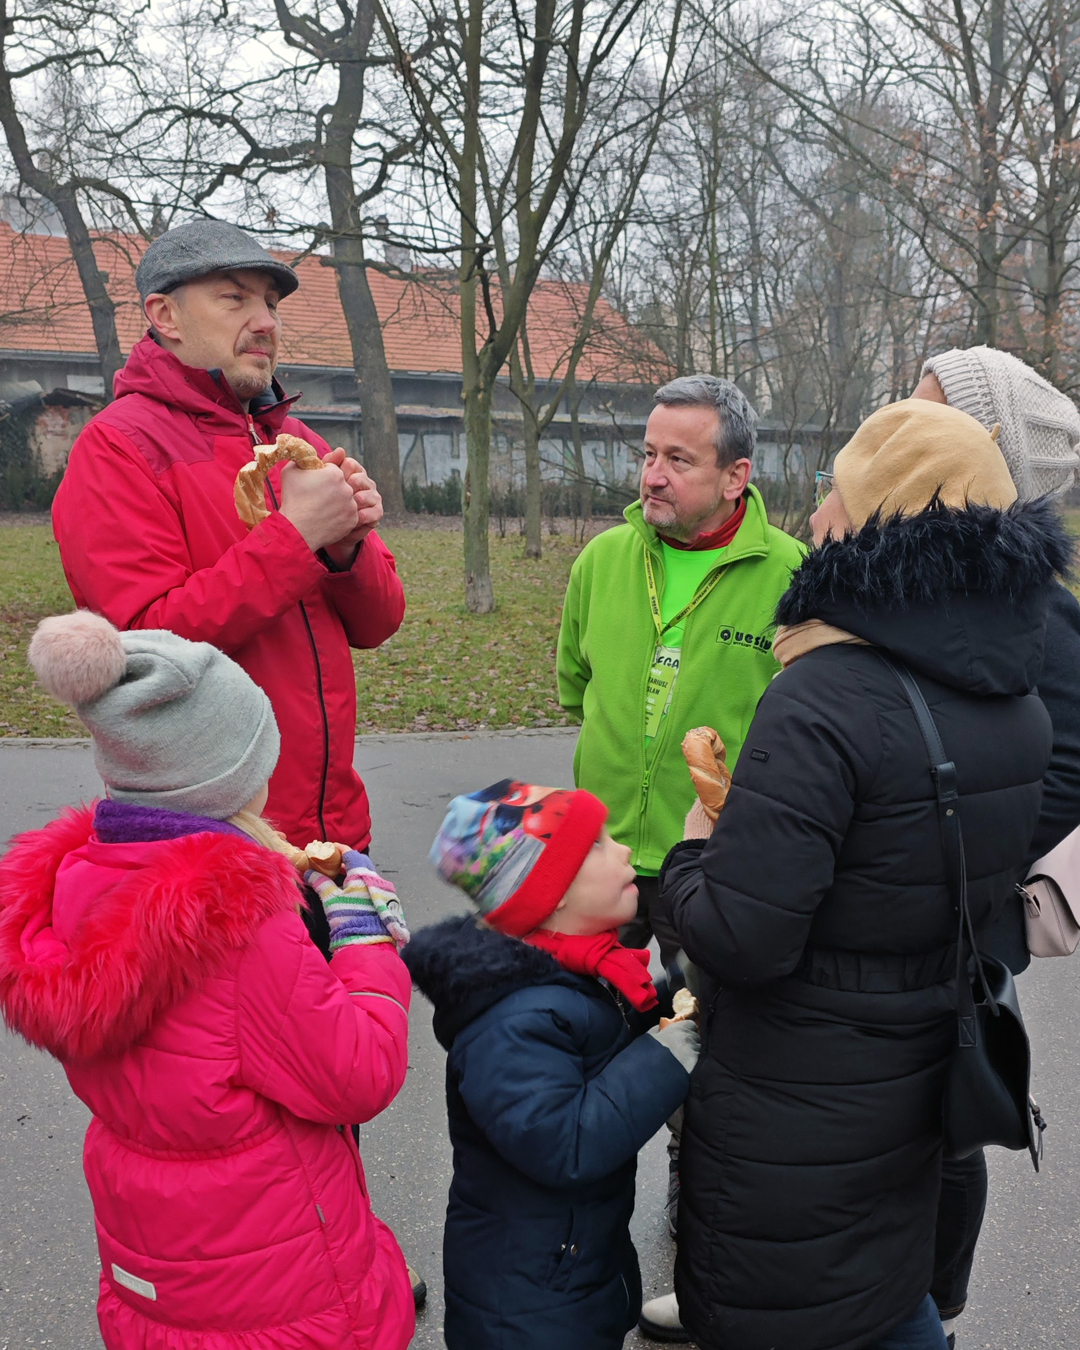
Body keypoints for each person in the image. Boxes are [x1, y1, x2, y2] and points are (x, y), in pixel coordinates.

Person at [657, 400, 1066, 1350]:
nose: (813, 519)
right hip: (914, 1067)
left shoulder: (827, 696)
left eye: (835, 495)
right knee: (879, 1289)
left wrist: (690, 857)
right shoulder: (1019, 700)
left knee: (789, 1308)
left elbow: (744, 936)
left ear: (888, 517)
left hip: (796, 1090)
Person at [0, 611, 414, 1350]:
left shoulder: (76, 882)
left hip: (159, 1259)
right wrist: (361, 933)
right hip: (280, 1278)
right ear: (228, 779)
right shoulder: (241, 929)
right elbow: (361, 1073)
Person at [51, 219, 405, 857]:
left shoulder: (301, 445)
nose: (266, 320)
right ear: (166, 315)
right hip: (213, 849)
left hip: (336, 837)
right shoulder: (117, 449)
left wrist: (346, 549)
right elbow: (147, 652)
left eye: (269, 302)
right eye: (234, 297)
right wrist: (297, 539)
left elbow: (379, 623)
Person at [403, 779, 699, 1350]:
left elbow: (606, 1039)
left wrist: (684, 984)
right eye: (597, 845)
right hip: (526, 1309)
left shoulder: (569, 975)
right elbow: (563, 1143)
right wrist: (669, 1054)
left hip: (568, 1272)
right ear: (551, 893)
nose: (622, 853)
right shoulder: (510, 1020)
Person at [914, 345, 1080, 1347]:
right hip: (905, 906)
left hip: (962, 918)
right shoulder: (914, 576)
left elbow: (1069, 768)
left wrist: (969, 868)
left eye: (927, 409)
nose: (899, 417)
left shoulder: (1037, 609)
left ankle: (933, 1312)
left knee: (951, 1108)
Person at [557, 374, 804, 967]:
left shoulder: (792, 574)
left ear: (734, 477)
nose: (653, 475)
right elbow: (575, 689)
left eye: (678, 459)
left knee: (700, 1034)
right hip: (599, 853)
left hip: (712, 862)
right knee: (580, 1020)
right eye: (648, 454)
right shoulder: (602, 560)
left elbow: (803, 731)